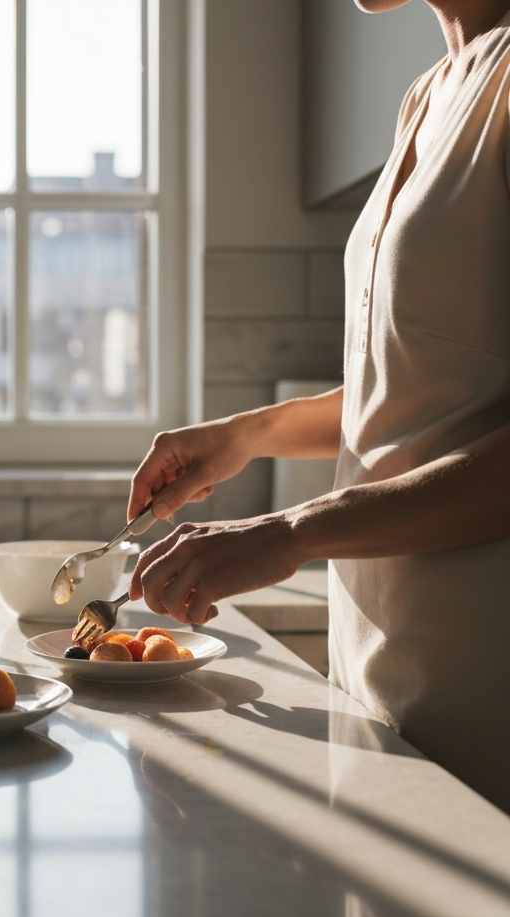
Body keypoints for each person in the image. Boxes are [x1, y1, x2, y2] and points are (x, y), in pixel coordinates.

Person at [127, 0, 510, 806]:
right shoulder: (429, 93)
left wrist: (293, 531)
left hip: (487, 677)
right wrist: (250, 433)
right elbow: (418, 380)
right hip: (381, 662)